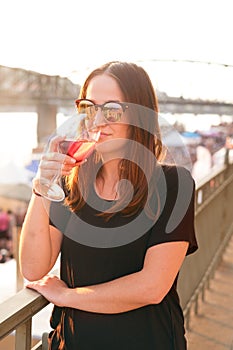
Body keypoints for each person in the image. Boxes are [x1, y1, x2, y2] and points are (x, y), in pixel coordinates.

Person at [19, 61, 198, 350]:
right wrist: (41, 186)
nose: (98, 120)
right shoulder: (70, 185)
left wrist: (68, 297)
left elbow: (152, 287)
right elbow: (33, 267)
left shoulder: (174, 184)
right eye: (89, 107)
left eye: (112, 109)